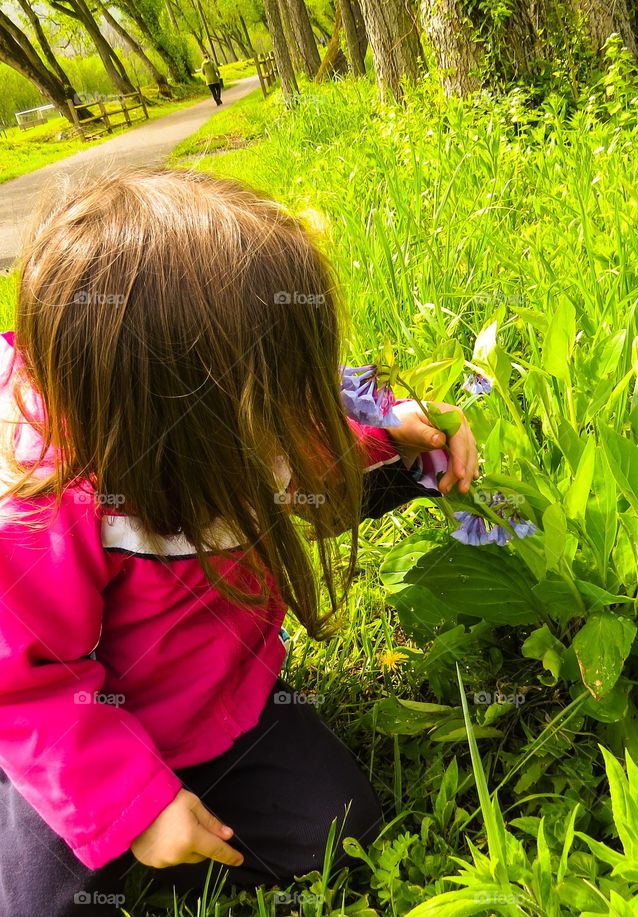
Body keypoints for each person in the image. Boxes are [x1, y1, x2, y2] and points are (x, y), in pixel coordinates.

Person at [0, 166, 480, 917]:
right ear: (168, 409)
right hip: (70, 728)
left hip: (214, 704)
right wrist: (132, 803)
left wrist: (397, 438)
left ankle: (175, 816)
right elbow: (24, 680)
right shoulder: (45, 507)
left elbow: (309, 455)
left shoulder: (237, 423)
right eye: (276, 393)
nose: (296, 412)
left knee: (338, 830)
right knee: (39, 904)